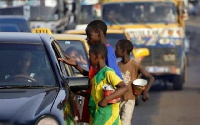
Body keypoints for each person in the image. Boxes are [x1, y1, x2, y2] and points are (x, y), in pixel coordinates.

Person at [58, 20, 123, 124]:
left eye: (89, 36)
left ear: (99, 33)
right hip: (98, 112)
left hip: (107, 114)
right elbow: (93, 76)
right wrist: (76, 65)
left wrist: (107, 99)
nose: (88, 39)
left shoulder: (108, 54)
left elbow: (117, 81)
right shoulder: (99, 65)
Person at [115, 39, 154, 125]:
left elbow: (151, 78)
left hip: (130, 98)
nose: (115, 50)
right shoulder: (117, 65)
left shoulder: (135, 65)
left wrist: (145, 92)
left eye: (117, 48)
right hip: (117, 98)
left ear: (123, 51)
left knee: (125, 122)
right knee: (116, 122)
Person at [88, 43, 128, 125]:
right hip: (99, 117)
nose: (89, 59)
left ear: (96, 56)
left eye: (90, 56)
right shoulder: (97, 74)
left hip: (109, 119)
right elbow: (96, 96)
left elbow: (124, 87)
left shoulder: (108, 72)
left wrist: (106, 99)